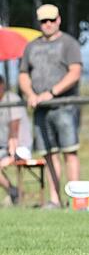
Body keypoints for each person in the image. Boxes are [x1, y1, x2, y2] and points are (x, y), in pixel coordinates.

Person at [19, 3, 82, 208]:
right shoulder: (31, 46)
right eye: (43, 21)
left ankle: (74, 199)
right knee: (49, 154)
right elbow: (23, 75)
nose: (47, 24)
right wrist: (30, 94)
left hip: (64, 107)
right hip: (40, 109)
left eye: (51, 20)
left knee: (69, 152)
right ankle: (54, 199)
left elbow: (74, 72)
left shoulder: (69, 43)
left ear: (59, 20)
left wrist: (51, 93)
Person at [0, 74, 33, 205]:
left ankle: (14, 192)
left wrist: (12, 156)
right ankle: (13, 191)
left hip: (20, 147)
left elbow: (14, 132)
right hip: (4, 148)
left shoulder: (11, 99)